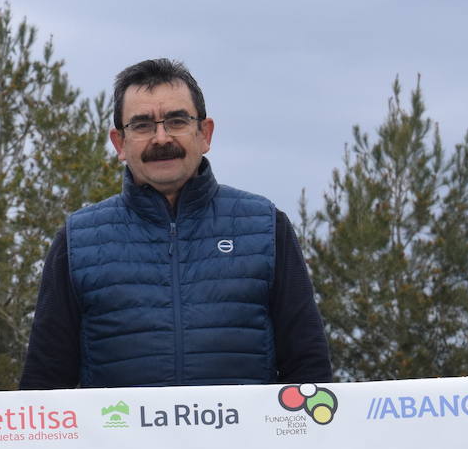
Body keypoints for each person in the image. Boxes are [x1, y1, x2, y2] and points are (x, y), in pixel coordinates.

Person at [19, 58, 331, 389]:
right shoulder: (78, 240)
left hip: (247, 442)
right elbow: (45, 385)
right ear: (119, 143)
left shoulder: (266, 227)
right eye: (141, 125)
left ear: (205, 133)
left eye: (177, 121)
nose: (161, 138)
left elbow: (308, 367)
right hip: (120, 443)